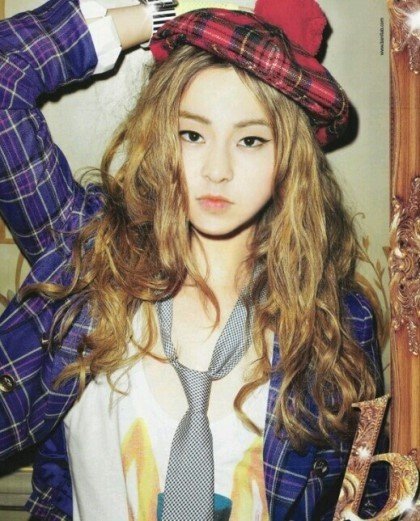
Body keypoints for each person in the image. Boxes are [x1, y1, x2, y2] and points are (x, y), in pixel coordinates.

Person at [0, 0, 388, 519]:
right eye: (193, 135)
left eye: (250, 140)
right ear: (163, 137)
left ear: (289, 158)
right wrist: (144, 20)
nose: (217, 170)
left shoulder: (339, 320)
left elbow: (362, 498)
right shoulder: (88, 255)